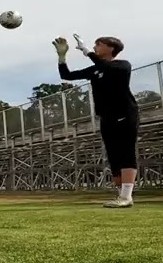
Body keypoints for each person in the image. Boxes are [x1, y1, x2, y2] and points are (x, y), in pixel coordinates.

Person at [53, 34, 139, 208]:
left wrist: (86, 52)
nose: (94, 47)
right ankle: (122, 196)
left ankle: (126, 197)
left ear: (111, 48)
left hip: (125, 114)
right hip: (106, 117)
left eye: (98, 44)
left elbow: (105, 66)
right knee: (113, 156)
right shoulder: (95, 69)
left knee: (126, 153)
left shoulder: (122, 65)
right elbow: (67, 75)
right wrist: (62, 57)